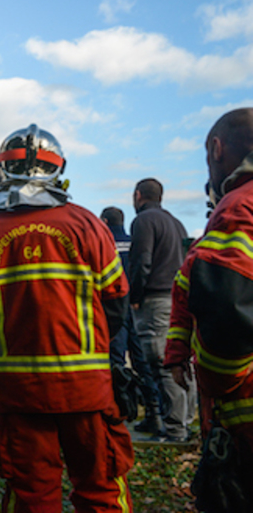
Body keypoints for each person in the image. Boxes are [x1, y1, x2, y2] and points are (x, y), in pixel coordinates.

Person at [0, 124, 133, 512]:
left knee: (31, 495)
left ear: (2, 168)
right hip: (86, 389)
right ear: (60, 168)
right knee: (101, 488)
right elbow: (117, 303)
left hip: (16, 390)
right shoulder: (88, 225)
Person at [165, 107, 253, 505]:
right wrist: (177, 351)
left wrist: (216, 385)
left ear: (217, 149)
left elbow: (225, 309)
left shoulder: (238, 209)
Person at [128, 177, 192, 441]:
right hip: (178, 298)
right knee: (179, 362)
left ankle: (175, 429)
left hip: (155, 300)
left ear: (138, 195)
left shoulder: (143, 221)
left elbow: (142, 260)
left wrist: (135, 295)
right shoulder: (176, 223)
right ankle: (182, 422)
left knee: (160, 363)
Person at [102, 206, 159, 428]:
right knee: (142, 359)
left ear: (105, 222)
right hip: (136, 304)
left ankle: (117, 409)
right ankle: (153, 410)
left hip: (114, 307)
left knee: (115, 359)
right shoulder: (134, 243)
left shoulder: (104, 244)